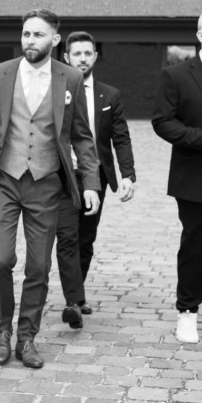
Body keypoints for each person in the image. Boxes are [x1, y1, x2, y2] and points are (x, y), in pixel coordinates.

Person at [0, 9, 101, 369]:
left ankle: (26, 337)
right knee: (0, 259)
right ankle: (2, 330)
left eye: (38, 35)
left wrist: (91, 183)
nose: (30, 40)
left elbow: (82, 136)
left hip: (46, 183)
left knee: (39, 266)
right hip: (3, 180)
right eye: (26, 33)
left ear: (55, 40)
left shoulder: (70, 77)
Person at [152, 7, 202, 344]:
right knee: (193, 250)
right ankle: (187, 312)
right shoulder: (177, 75)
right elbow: (162, 122)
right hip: (196, 179)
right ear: (201, 35)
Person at [55, 31, 136, 329]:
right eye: (77, 54)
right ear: (66, 57)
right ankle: (73, 300)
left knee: (86, 238)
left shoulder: (109, 95)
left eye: (88, 53)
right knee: (67, 236)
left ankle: (77, 294)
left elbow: (121, 138)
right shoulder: (54, 90)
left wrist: (127, 174)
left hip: (96, 176)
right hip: (61, 175)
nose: (83, 59)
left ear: (95, 57)